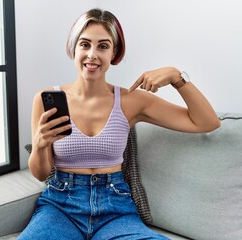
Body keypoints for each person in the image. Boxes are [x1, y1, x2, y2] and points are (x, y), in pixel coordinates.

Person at [18, 8, 221, 240]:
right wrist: (41, 144)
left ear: (114, 52)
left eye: (103, 46)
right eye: (85, 44)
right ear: (73, 48)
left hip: (115, 210)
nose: (92, 55)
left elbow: (207, 122)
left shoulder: (130, 101)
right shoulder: (45, 98)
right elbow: (40, 172)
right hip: (61, 206)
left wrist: (177, 77)